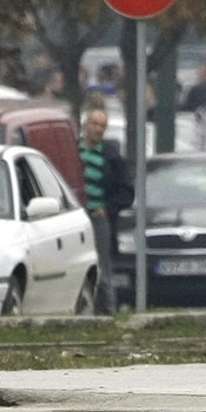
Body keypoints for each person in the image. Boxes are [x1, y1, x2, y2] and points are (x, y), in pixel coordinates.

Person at [79, 109, 134, 316]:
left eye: (102, 126)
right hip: (76, 218)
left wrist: (107, 209)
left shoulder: (111, 157)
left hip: (99, 218)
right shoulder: (74, 151)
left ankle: (108, 310)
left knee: (103, 265)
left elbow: (126, 192)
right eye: (95, 124)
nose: (98, 129)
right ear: (86, 125)